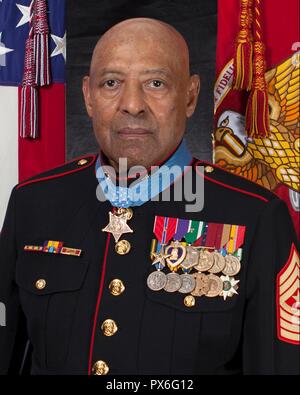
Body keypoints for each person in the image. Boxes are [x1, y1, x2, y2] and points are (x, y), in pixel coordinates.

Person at [0, 18, 299, 375]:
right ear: (88, 96)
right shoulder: (32, 202)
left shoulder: (256, 217)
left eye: (155, 83)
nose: (132, 105)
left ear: (190, 96)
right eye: (111, 83)